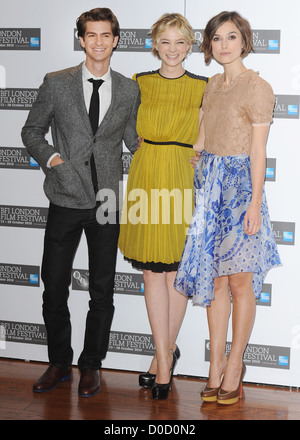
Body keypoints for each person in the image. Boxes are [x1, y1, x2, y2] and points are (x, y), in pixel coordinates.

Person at [21, 7, 140, 398]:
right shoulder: (56, 82)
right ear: (81, 39)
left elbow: (135, 141)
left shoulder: (128, 88)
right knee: (54, 285)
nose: (99, 42)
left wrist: (174, 150)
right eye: (92, 35)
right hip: (65, 197)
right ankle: (59, 362)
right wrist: (53, 160)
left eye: (106, 35)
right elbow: (32, 130)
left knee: (102, 289)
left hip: (107, 198)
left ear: (116, 39)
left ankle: (91, 364)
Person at [174, 11, 281, 405]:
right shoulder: (213, 86)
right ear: (209, 45)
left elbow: (258, 150)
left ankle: (236, 365)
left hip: (240, 189)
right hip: (211, 188)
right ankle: (215, 365)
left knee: (240, 282)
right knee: (216, 281)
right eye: (216, 38)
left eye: (231, 37)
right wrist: (197, 153)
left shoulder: (258, 87)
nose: (223, 45)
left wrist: (254, 203)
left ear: (244, 41)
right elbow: (203, 135)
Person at [118, 13, 208, 400]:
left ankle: (162, 360)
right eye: (165, 42)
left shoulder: (205, 86)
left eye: (181, 42)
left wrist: (202, 153)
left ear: (190, 46)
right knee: (152, 272)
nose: (173, 50)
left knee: (177, 271)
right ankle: (164, 354)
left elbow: (211, 133)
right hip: (146, 173)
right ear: (154, 44)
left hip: (183, 177)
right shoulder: (138, 83)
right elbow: (119, 127)